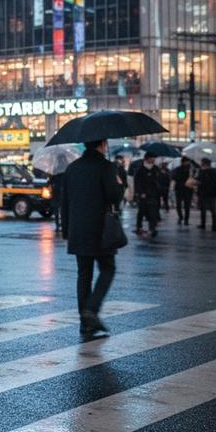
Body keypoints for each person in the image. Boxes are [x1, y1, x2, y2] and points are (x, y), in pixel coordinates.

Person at [60, 139, 124, 338]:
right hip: (101, 229)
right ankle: (92, 309)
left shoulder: (72, 168)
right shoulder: (107, 166)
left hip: (78, 229)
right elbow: (114, 196)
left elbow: (65, 202)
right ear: (103, 144)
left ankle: (85, 322)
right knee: (108, 268)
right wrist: (119, 184)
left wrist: (66, 230)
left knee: (84, 274)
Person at [134, 152, 161, 237]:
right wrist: (140, 192)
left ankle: (152, 228)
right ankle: (139, 227)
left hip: (153, 194)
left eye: (154, 158)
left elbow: (159, 181)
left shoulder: (156, 169)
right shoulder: (140, 169)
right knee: (142, 211)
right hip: (143, 194)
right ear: (147, 158)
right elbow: (137, 182)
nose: (154, 159)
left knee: (153, 211)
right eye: (153, 157)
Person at [196, 158, 216, 232]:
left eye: (202, 162)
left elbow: (198, 181)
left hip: (204, 193)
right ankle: (214, 226)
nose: (201, 163)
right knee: (213, 210)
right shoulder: (215, 171)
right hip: (213, 193)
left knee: (203, 209)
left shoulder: (202, 172)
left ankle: (203, 224)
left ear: (204, 163)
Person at [171, 156, 194, 226]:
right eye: (186, 161)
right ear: (183, 162)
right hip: (179, 189)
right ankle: (181, 217)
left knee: (187, 206)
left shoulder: (191, 170)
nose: (188, 163)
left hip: (188, 190)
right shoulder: (177, 169)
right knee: (178, 205)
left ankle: (186, 220)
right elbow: (173, 177)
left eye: (188, 162)